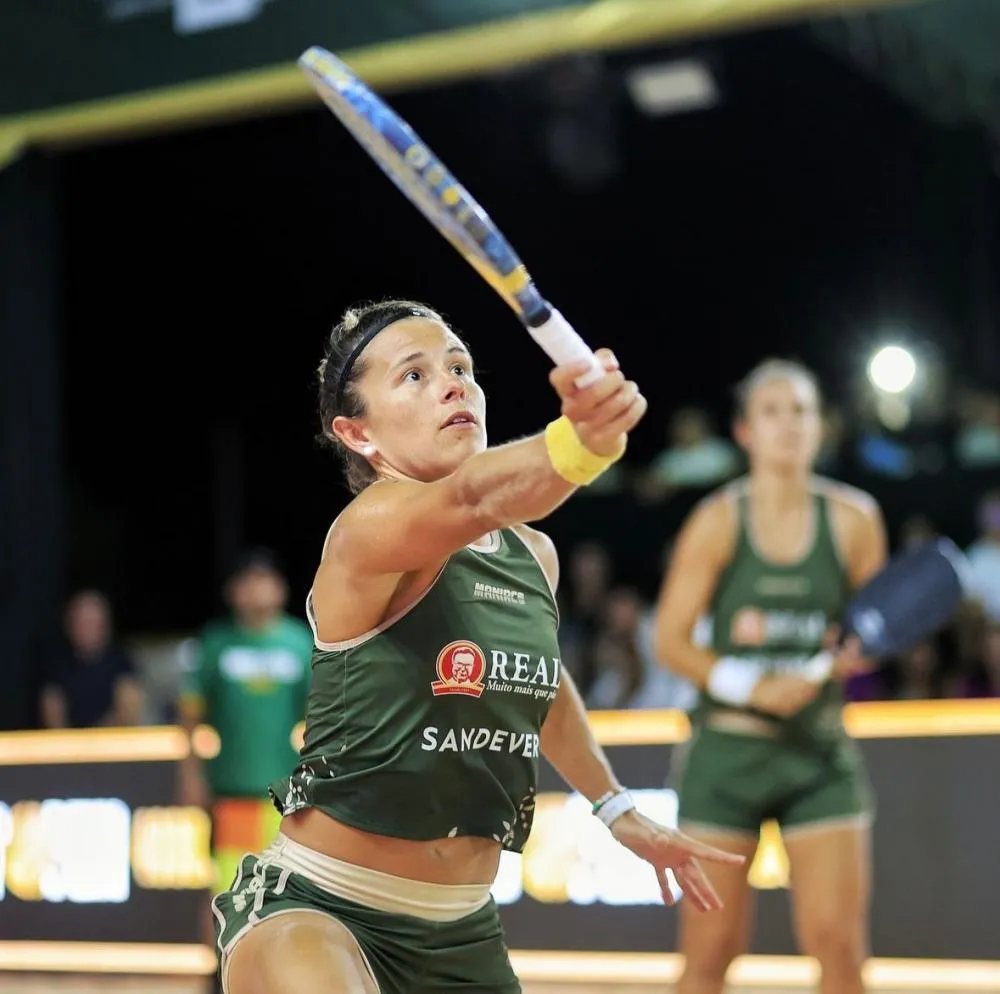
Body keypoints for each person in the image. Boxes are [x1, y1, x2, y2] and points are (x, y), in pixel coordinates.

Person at [212, 299, 744, 994]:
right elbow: (469, 500)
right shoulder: (364, 533)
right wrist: (580, 443)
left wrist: (616, 807)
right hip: (321, 905)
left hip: (461, 928)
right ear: (358, 433)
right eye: (414, 375)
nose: (453, 382)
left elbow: (540, 683)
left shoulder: (533, 556)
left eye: (460, 366)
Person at [654, 359, 888, 994]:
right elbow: (668, 640)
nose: (790, 424)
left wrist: (856, 656)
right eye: (773, 411)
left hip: (817, 755)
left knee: (839, 948)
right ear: (745, 431)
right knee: (710, 954)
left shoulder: (855, 519)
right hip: (725, 760)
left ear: (822, 428)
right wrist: (751, 687)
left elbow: (873, 634)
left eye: (803, 410)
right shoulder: (718, 520)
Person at [177, 549, 314, 890]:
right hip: (231, 788)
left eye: (264, 580)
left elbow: (320, 714)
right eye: (247, 582)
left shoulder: (299, 642)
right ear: (232, 591)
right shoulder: (215, 643)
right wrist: (190, 773)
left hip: (285, 791)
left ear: (281, 589)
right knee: (227, 887)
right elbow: (189, 714)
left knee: (280, 886)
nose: (256, 589)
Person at [40, 589, 143, 729]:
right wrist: (72, 745)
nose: (87, 628)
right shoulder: (57, 664)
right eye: (81, 622)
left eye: (93, 622)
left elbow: (128, 708)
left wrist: (93, 740)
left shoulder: (122, 660)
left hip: (111, 742)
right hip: (68, 744)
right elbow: (52, 711)